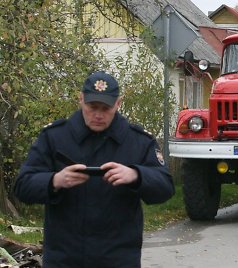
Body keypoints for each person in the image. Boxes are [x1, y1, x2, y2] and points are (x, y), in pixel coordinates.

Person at [14, 71, 175, 268]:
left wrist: (136, 175)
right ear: (80, 99)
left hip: (118, 258)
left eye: (105, 108)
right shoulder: (55, 137)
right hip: (64, 258)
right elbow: (22, 186)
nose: (98, 115)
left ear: (118, 103)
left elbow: (165, 188)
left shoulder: (138, 141)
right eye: (92, 107)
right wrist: (54, 181)